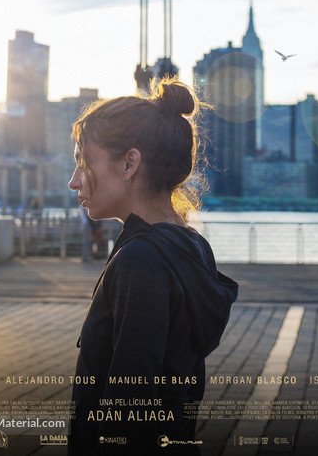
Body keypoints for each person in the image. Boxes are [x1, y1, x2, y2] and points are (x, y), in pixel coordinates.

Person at [68, 78, 238, 455]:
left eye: (83, 162)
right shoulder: (192, 248)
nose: (73, 180)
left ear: (129, 163)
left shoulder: (141, 262)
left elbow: (128, 416)